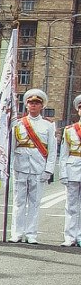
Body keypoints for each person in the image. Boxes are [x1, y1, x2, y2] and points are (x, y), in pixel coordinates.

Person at [11, 88, 57, 244]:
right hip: (20, 167)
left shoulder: (48, 126)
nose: (33, 106)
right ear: (26, 105)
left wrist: (49, 169)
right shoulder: (18, 124)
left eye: (37, 103)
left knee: (34, 203)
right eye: (30, 103)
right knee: (18, 202)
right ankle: (17, 233)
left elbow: (52, 149)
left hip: (38, 168)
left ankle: (31, 234)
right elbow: (11, 146)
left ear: (41, 106)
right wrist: (10, 167)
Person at [59, 93, 81, 247]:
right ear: (78, 110)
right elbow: (64, 154)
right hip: (73, 169)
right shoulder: (69, 130)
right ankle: (70, 236)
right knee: (71, 205)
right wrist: (63, 174)